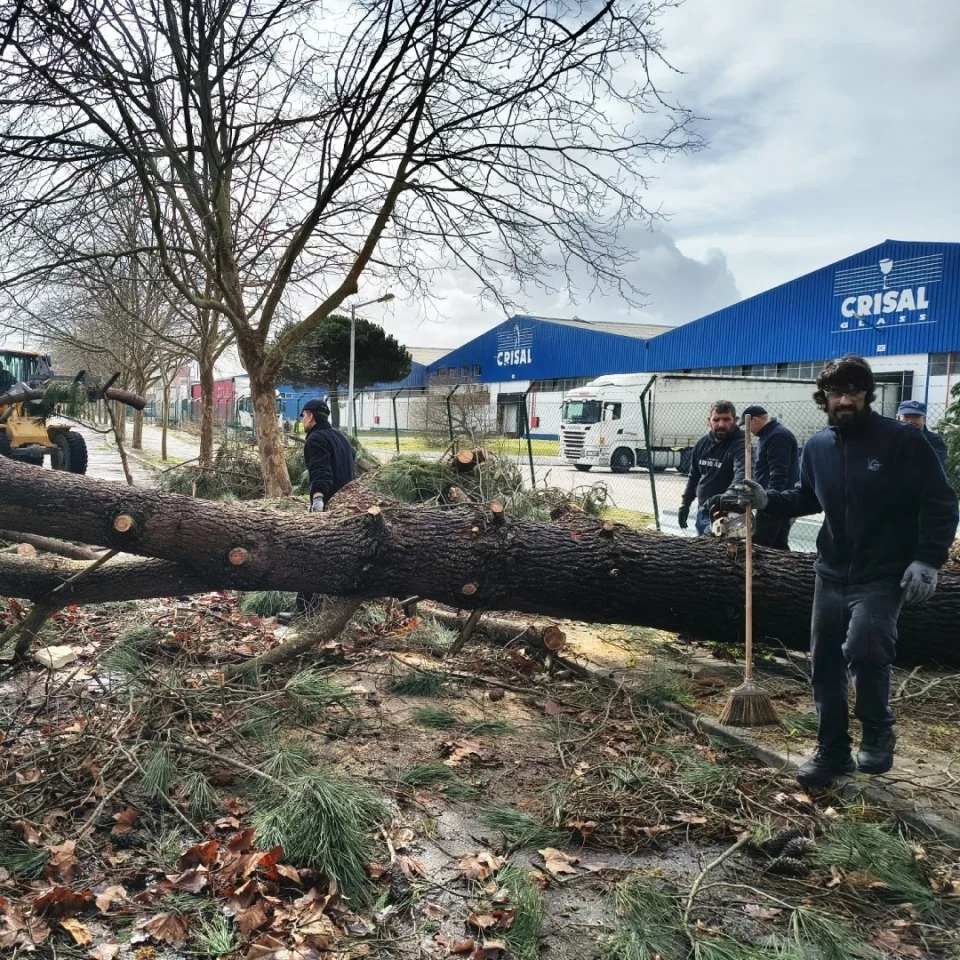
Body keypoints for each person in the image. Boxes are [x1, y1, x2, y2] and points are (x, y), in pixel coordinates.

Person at [735, 355, 958, 788]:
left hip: (884, 572)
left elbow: (941, 501)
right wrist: (767, 500)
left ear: (866, 395)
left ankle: (878, 731)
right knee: (824, 665)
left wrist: (928, 559)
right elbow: (807, 497)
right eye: (836, 393)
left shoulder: (902, 442)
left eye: (853, 392)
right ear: (825, 398)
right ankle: (832, 753)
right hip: (832, 571)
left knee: (866, 647)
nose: (845, 401)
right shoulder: (818, 446)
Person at [277, 399, 356, 625]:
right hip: (348, 507)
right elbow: (352, 458)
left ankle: (305, 611)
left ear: (310, 416)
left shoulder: (315, 439)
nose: (302, 421)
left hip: (329, 508)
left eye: (303, 417)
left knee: (310, 557)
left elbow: (322, 473)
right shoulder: (340, 438)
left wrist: (318, 502)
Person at [678, 401, 746, 535]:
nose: (721, 424)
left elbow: (742, 472)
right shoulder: (702, 444)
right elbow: (694, 476)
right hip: (703, 511)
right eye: (716, 420)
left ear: (736, 420)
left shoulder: (742, 446)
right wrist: (685, 504)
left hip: (730, 515)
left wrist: (729, 495)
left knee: (727, 553)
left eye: (726, 419)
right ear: (709, 421)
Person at [740, 404, 799, 550]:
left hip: (774, 500)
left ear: (755, 420)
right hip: (776, 499)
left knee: (760, 544)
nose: (748, 430)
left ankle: (760, 572)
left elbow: (778, 473)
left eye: (747, 425)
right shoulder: (770, 435)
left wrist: (770, 500)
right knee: (778, 544)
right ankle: (784, 571)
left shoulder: (777, 436)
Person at [897, 399, 948, 469]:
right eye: (906, 416)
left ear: (924, 419)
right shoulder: (891, 437)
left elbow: (932, 465)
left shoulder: (934, 440)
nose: (911, 421)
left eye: (916, 417)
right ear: (898, 417)